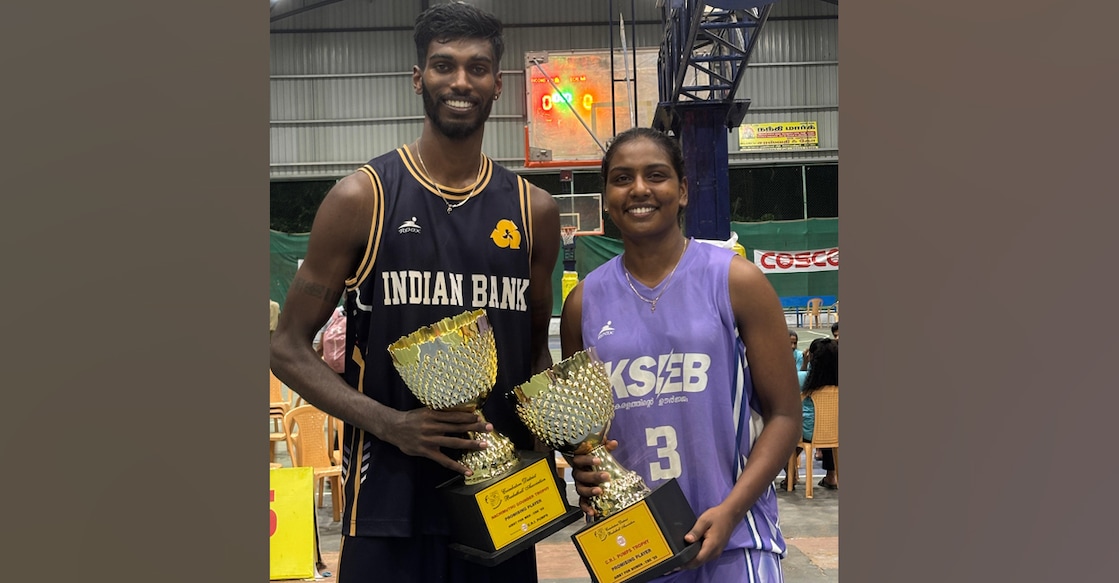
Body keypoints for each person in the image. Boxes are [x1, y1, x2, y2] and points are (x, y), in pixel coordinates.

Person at [269, 3, 560, 582]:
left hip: (501, 500)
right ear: (418, 77)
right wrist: (389, 423)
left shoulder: (535, 211)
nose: (460, 81)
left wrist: (564, 448)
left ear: (498, 84)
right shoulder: (363, 198)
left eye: (477, 67)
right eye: (443, 65)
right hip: (388, 501)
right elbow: (286, 347)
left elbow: (532, 357)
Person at [560, 127, 802, 582]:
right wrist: (584, 471)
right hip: (632, 546)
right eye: (622, 178)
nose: (639, 189)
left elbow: (785, 416)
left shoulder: (737, 281)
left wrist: (731, 510)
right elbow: (584, 437)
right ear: (606, 197)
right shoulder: (583, 304)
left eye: (656, 175)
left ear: (683, 190)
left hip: (735, 539)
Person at [794, 338, 838, 490]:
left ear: (811, 356)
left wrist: (805, 363)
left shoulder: (802, 378)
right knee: (826, 424)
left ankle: (790, 476)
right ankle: (831, 476)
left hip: (807, 432)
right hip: (835, 431)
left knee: (790, 433)